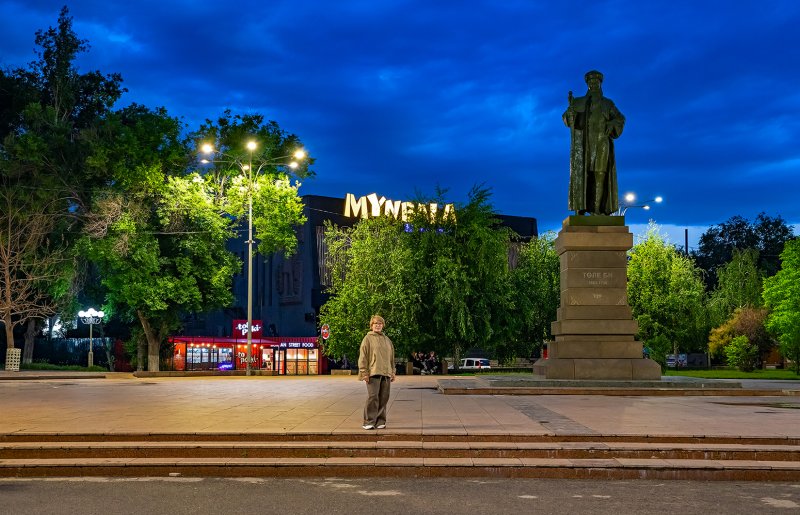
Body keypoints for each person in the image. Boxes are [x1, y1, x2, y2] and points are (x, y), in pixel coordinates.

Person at [562, 70, 625, 216]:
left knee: (600, 174)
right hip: (583, 145)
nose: (593, 84)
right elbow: (567, 118)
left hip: (602, 143)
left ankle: (597, 209)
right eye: (590, 82)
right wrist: (569, 115)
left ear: (600, 83)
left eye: (596, 82)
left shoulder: (608, 103)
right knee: (582, 174)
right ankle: (581, 208)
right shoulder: (578, 102)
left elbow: (620, 118)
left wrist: (612, 123)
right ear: (587, 84)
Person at [358, 315, 395, 430]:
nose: (378, 325)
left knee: (384, 397)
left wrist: (392, 371)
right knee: (373, 397)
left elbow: (391, 357)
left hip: (386, 373)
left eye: (380, 324)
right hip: (373, 373)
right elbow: (363, 356)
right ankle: (369, 421)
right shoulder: (367, 339)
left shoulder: (387, 340)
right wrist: (364, 372)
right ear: (371, 326)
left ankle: (380, 421)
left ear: (383, 325)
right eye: (375, 324)